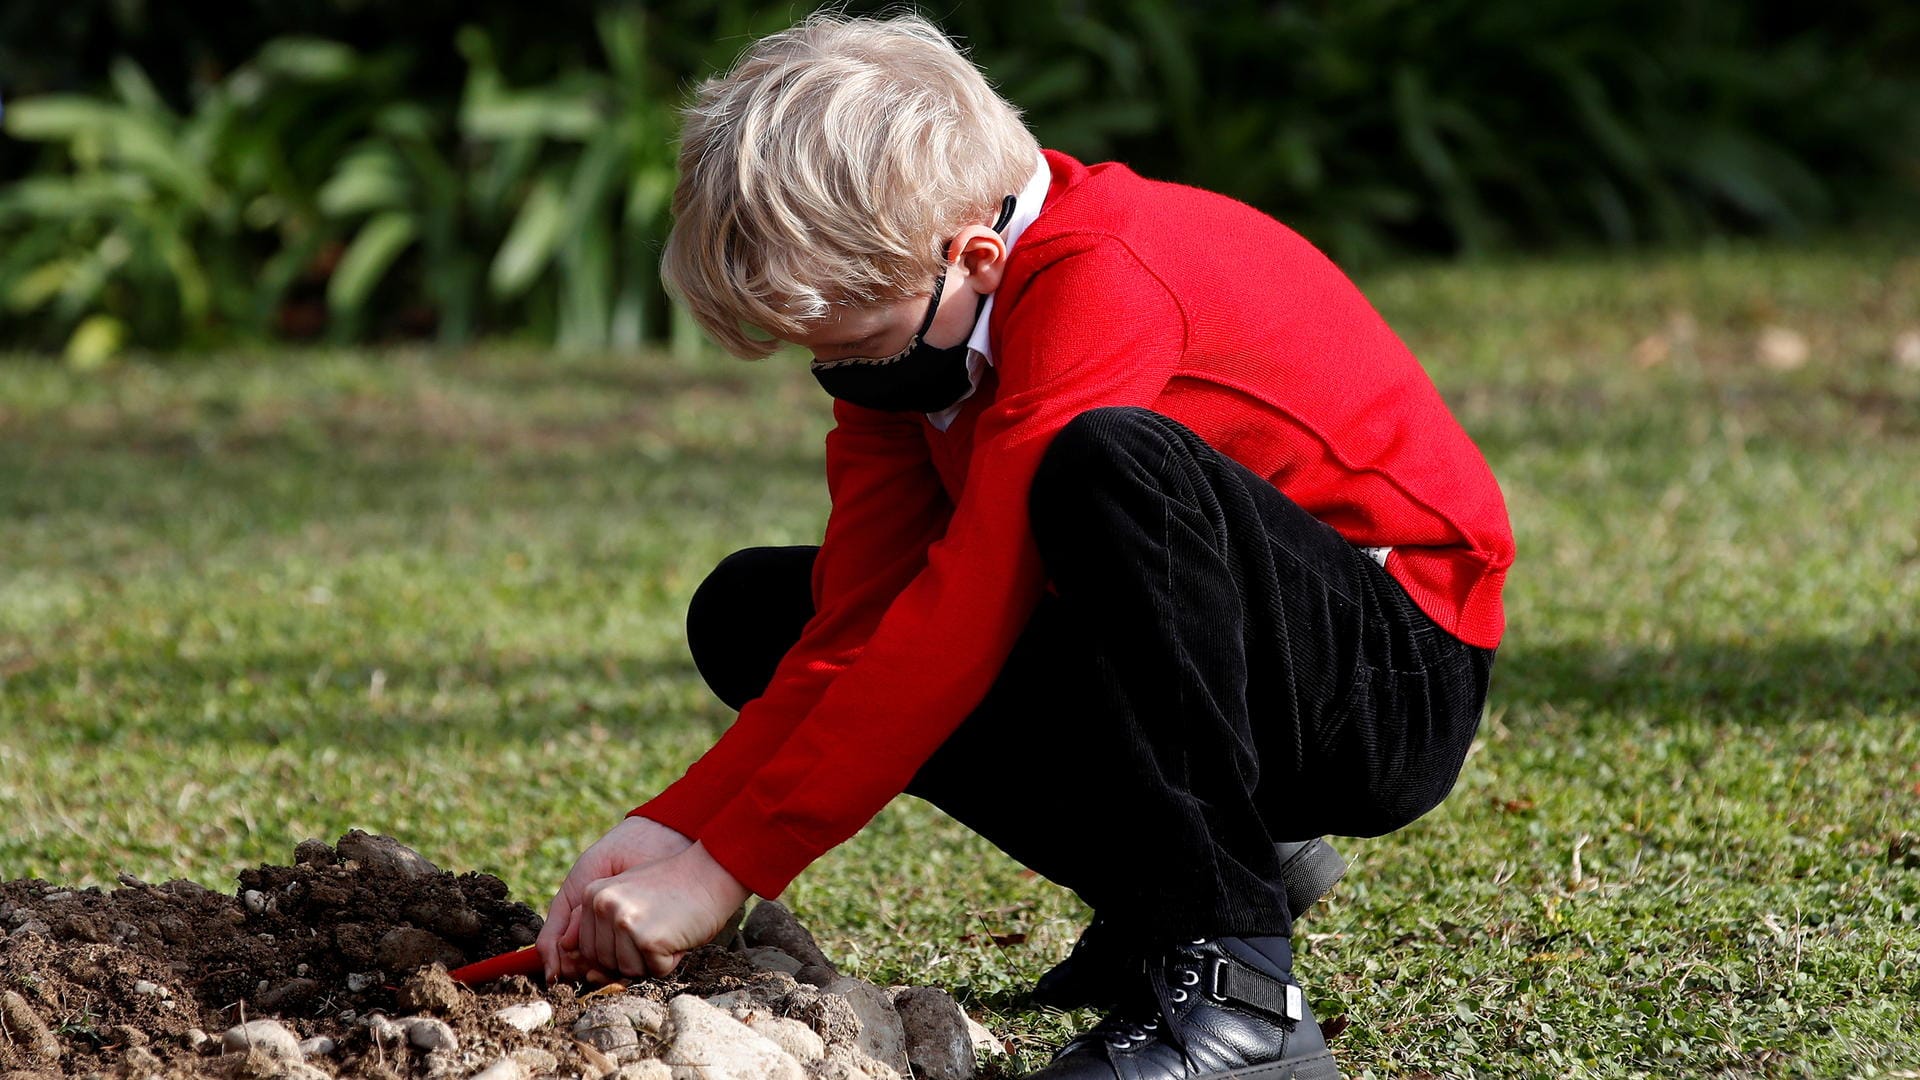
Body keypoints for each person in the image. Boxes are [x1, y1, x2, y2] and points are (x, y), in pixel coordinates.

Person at [535, 13, 1512, 1080]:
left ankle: (1240, 991)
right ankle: (1207, 872)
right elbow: (856, 626)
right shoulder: (916, 344)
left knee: (1107, 465)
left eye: (854, 346)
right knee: (759, 612)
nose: (844, 381)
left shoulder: (1106, 274)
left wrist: (726, 873)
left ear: (974, 256)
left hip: (1392, 671)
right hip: (1231, 664)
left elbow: (973, 602)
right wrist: (676, 830)